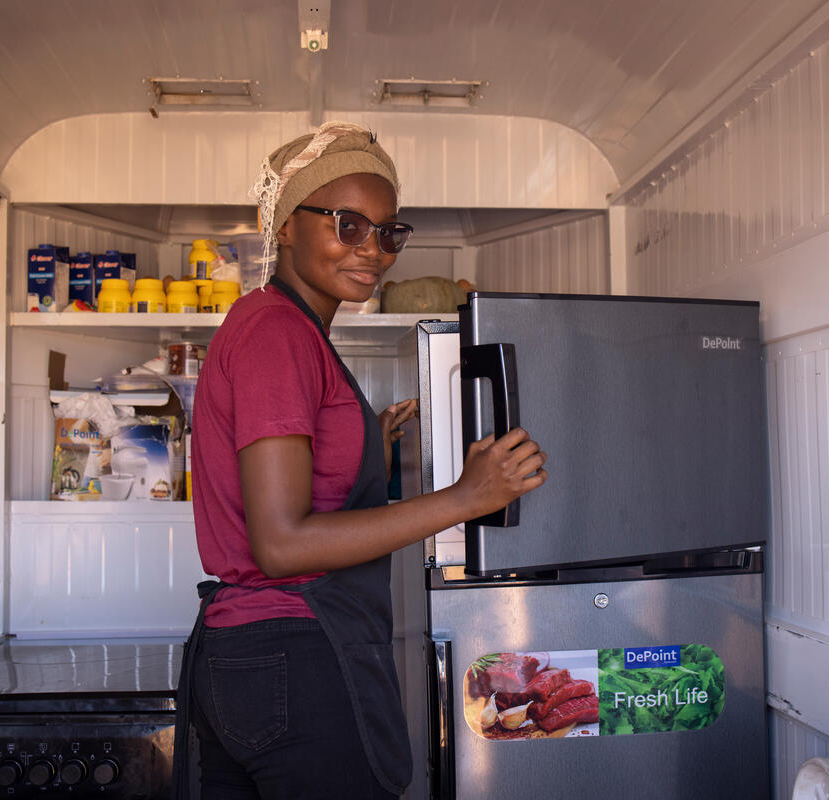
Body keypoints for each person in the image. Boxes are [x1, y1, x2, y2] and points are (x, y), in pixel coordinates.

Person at [174, 121, 547, 800]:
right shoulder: (277, 332)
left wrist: (359, 456)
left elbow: (281, 490)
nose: (373, 250)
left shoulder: (281, 326)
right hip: (292, 654)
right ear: (286, 226)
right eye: (348, 225)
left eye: (388, 232)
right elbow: (282, 544)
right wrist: (467, 497)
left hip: (257, 659)